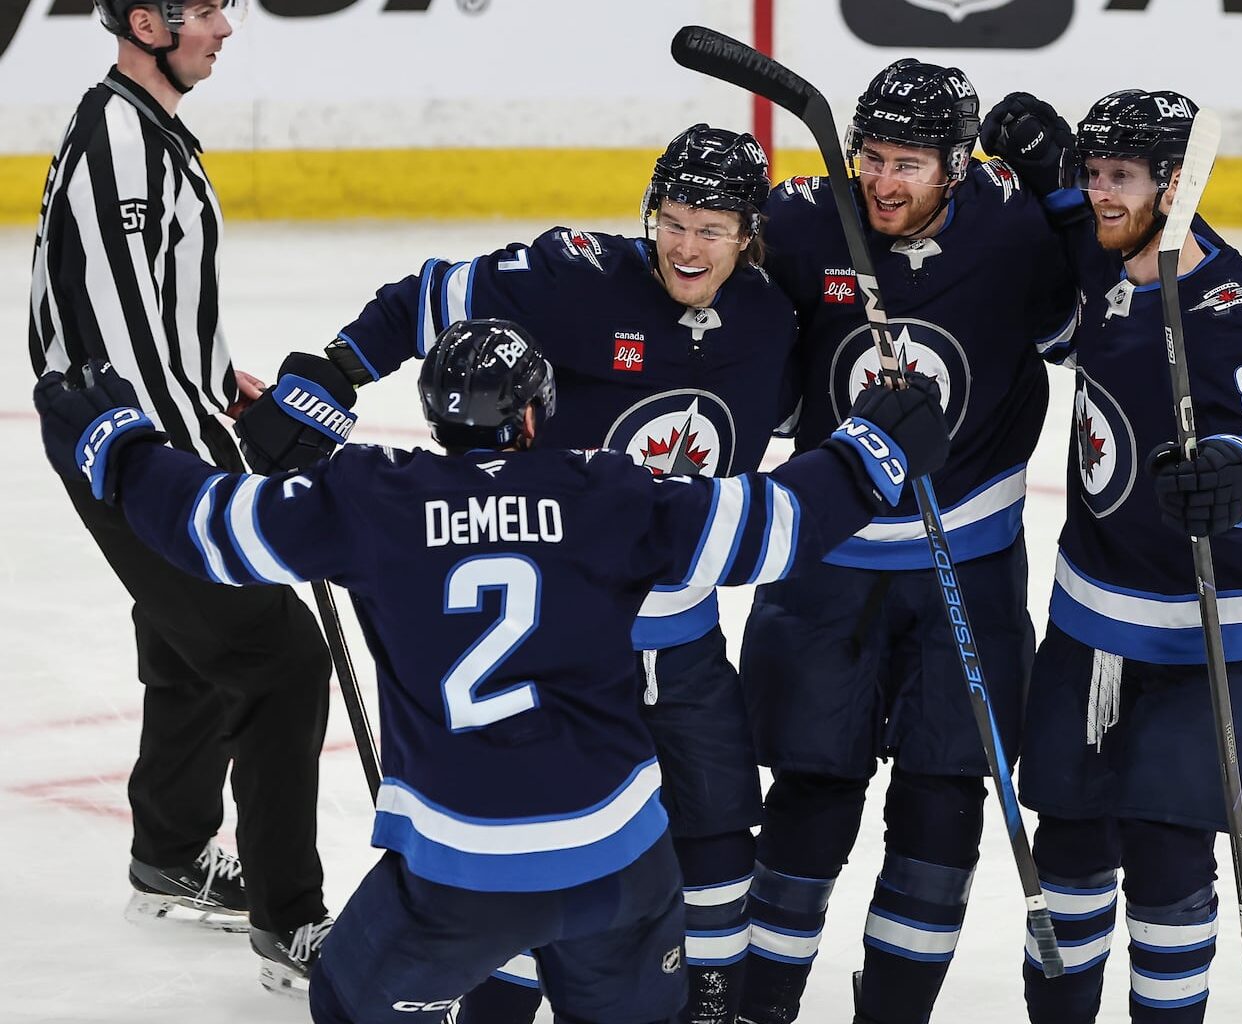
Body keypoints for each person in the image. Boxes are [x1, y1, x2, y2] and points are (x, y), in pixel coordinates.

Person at [32, 317, 951, 1024]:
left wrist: (115, 447)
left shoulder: (372, 497)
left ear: (435, 417)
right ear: (533, 414)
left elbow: (208, 527)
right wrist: (872, 455)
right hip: (618, 866)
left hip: (456, 878)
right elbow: (774, 527)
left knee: (348, 1005)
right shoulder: (606, 492)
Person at [237, 123, 796, 1024]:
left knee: (721, 830)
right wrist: (337, 373)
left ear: (749, 235)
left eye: (713, 230)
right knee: (539, 861)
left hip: (687, 637)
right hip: (569, 642)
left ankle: (712, 1009)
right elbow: (428, 300)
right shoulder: (577, 276)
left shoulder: (773, 318)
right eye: (674, 222)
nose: (687, 248)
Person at [735, 59, 1079, 1024]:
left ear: (958, 166)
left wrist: (1062, 195)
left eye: (909, 166)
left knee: (942, 807)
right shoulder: (803, 223)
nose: (883, 183)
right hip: (828, 569)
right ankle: (759, 1008)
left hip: (964, 564)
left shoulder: (1014, 227)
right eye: (872, 158)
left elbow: (1083, 332)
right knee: (811, 797)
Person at [979, 89, 1242, 1021]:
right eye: (1093, 174)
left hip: (1207, 638)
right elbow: (1069, 312)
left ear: (1176, 183)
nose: (1100, 194)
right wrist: (1050, 179)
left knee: (1169, 862)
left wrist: (1237, 479)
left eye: (1120, 178)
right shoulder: (1108, 255)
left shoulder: (1229, 309)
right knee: (1069, 855)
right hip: (1092, 619)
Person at [27, 0, 333, 994]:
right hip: (126, 450)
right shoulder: (119, 139)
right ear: (147, 20)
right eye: (203, 8)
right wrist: (220, 485)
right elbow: (121, 351)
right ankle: (289, 920)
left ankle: (167, 849)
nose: (225, 27)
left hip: (146, 429)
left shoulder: (147, 125)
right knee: (282, 657)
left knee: (190, 636)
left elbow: (154, 314)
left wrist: (219, 382)